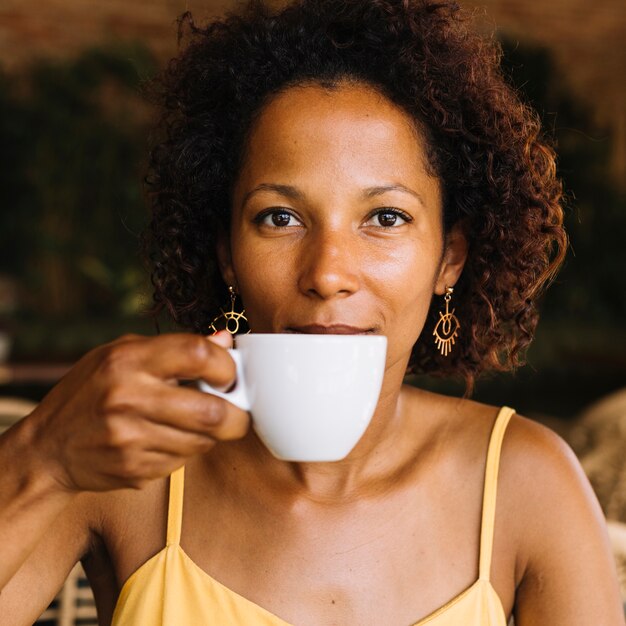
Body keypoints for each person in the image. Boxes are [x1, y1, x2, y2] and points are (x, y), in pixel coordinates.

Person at [0, 0, 623, 624]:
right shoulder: (129, 472)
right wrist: (39, 457)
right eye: (281, 217)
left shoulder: (527, 484)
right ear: (227, 257)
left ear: (448, 261)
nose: (327, 273)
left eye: (385, 218)